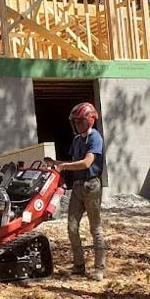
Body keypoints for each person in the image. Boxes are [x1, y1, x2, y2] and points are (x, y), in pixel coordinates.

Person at [55, 102, 106, 281]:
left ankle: (99, 268)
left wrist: (64, 166)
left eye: (80, 121)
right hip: (77, 187)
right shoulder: (77, 139)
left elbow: (86, 163)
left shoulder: (95, 138)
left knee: (95, 228)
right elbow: (73, 162)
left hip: (91, 186)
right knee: (72, 227)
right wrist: (56, 163)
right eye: (75, 122)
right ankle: (79, 266)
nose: (77, 125)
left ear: (90, 120)